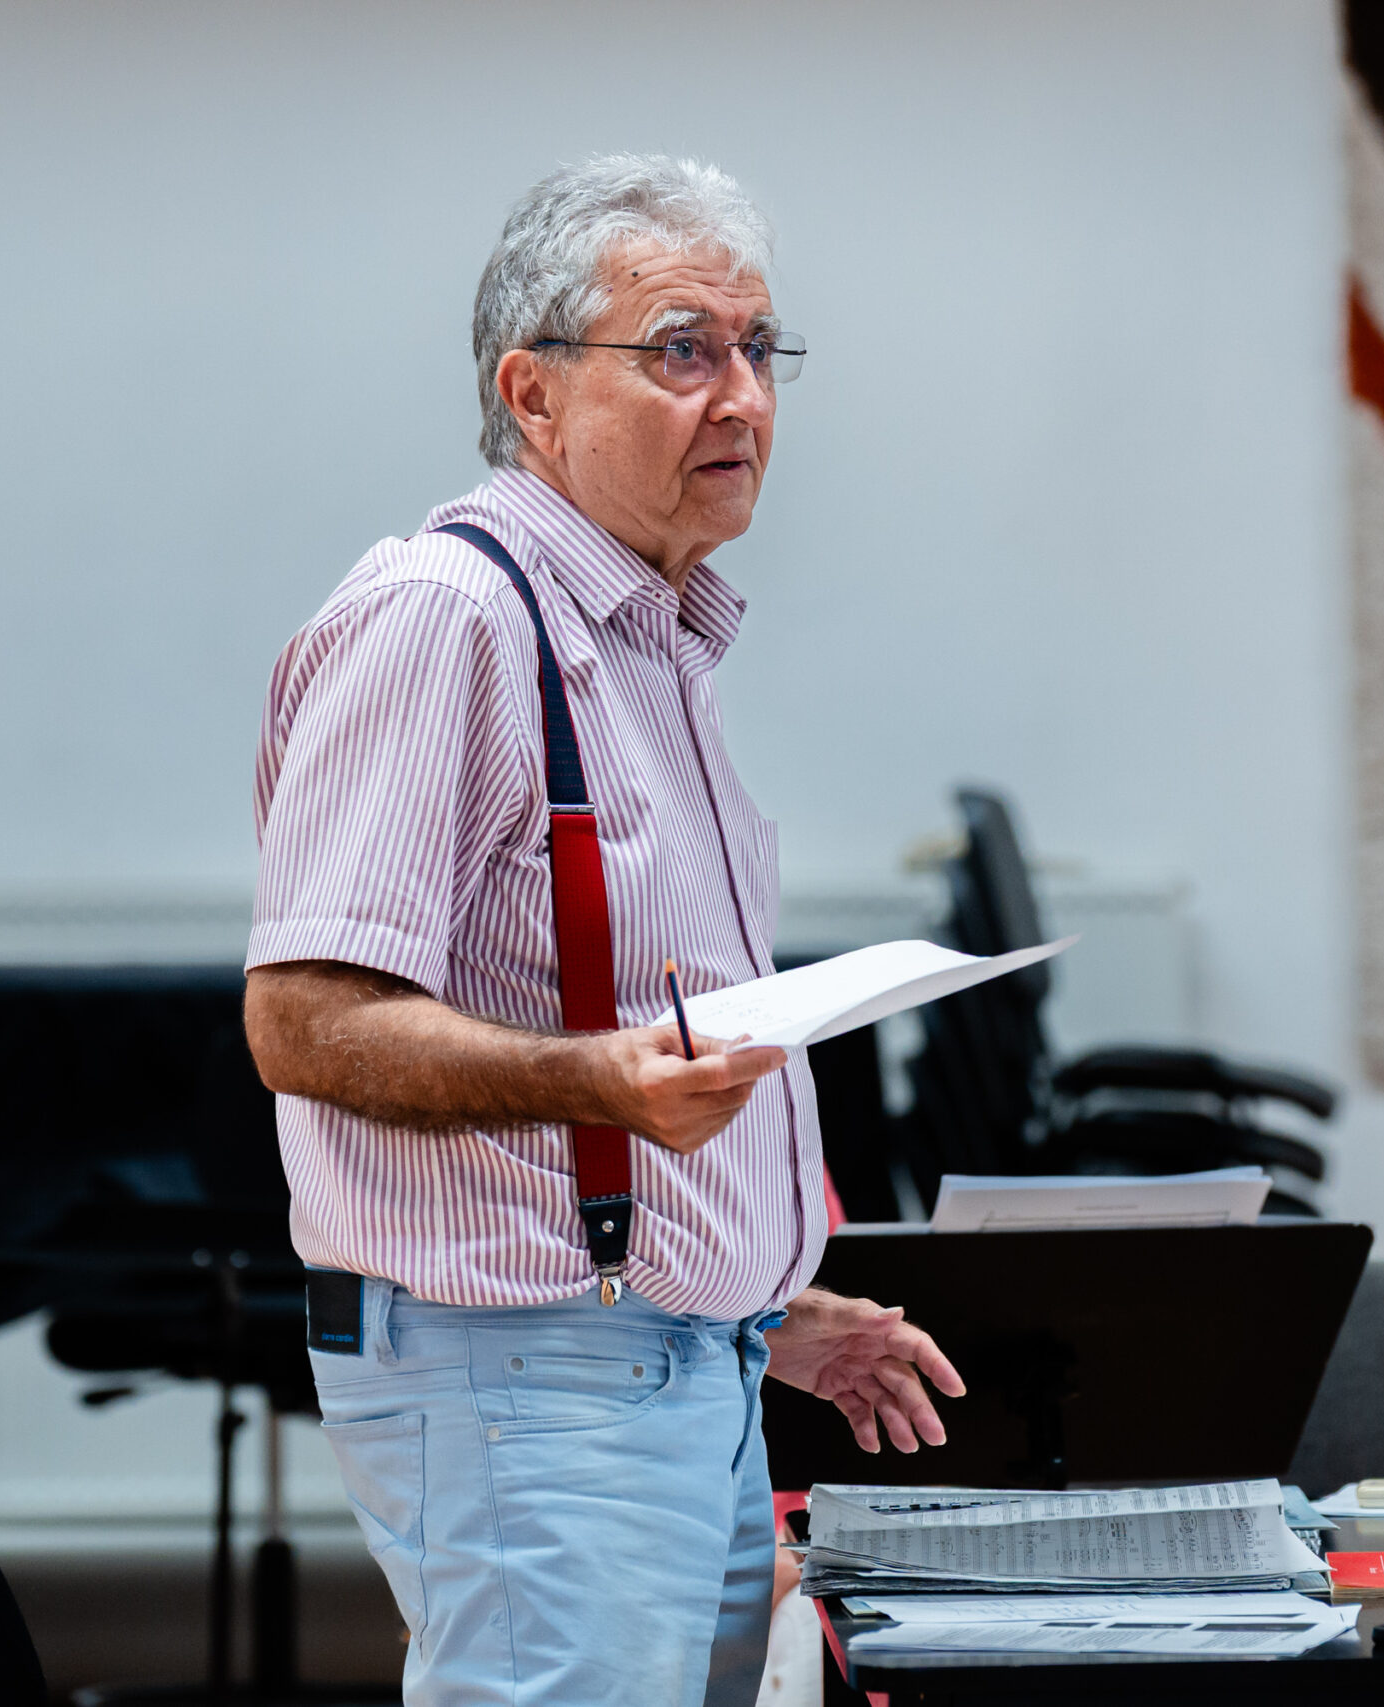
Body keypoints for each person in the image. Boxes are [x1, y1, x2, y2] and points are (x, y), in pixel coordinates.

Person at [242, 154, 964, 1707]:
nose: (743, 399)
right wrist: (599, 1084)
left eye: (758, 350)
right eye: (683, 351)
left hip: (667, 1369)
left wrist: (768, 1311)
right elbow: (304, 1018)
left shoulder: (646, 641)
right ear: (536, 394)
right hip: (531, 1380)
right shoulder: (449, 617)